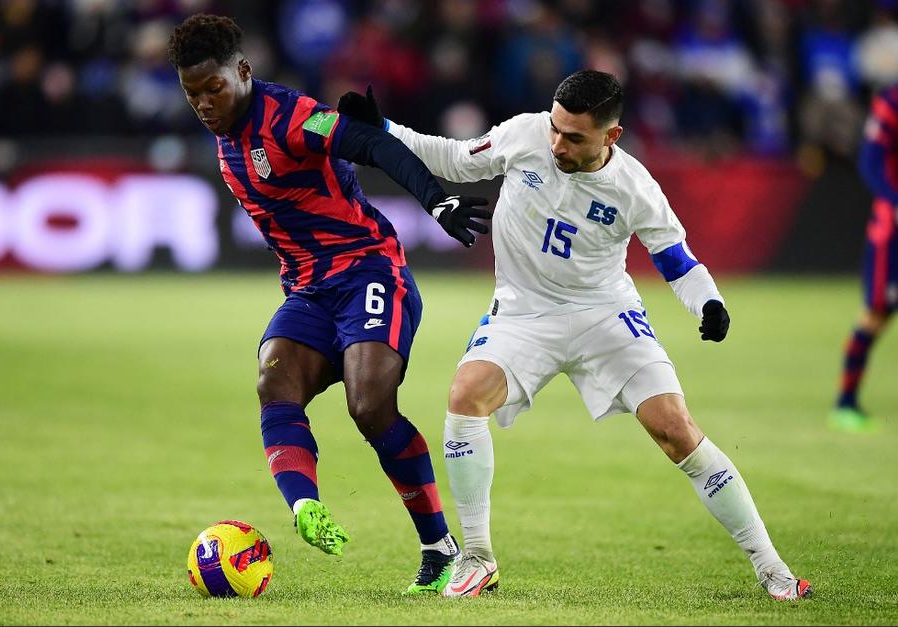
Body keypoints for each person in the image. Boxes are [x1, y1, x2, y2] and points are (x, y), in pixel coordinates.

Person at [337, 71, 811, 600]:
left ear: (612, 136)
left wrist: (710, 302)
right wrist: (384, 127)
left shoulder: (635, 187)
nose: (558, 144)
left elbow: (676, 260)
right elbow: (451, 157)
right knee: (464, 397)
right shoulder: (525, 134)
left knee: (676, 429)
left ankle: (773, 568)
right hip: (522, 314)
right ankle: (478, 558)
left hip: (604, 315)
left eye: (574, 137)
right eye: (557, 129)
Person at [166, 14, 493, 594]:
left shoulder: (290, 115)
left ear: (243, 71)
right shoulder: (225, 135)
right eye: (193, 94)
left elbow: (367, 141)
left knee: (369, 406)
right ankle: (304, 509)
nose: (204, 103)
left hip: (370, 268)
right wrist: (301, 500)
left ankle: (439, 548)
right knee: (274, 378)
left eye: (213, 88)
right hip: (308, 288)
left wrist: (436, 201)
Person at [828, 82, 898, 433]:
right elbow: (871, 159)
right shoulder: (893, 100)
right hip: (893, 234)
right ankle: (846, 402)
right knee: (876, 315)